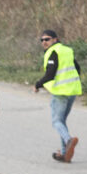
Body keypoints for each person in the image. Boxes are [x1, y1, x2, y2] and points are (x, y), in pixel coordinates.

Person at [34, 30, 82, 163]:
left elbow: (50, 74)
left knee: (56, 121)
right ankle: (65, 153)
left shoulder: (53, 52)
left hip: (60, 92)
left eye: (47, 39)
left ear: (55, 39)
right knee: (62, 121)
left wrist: (37, 85)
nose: (44, 42)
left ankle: (68, 140)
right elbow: (77, 68)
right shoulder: (67, 50)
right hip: (72, 91)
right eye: (42, 40)